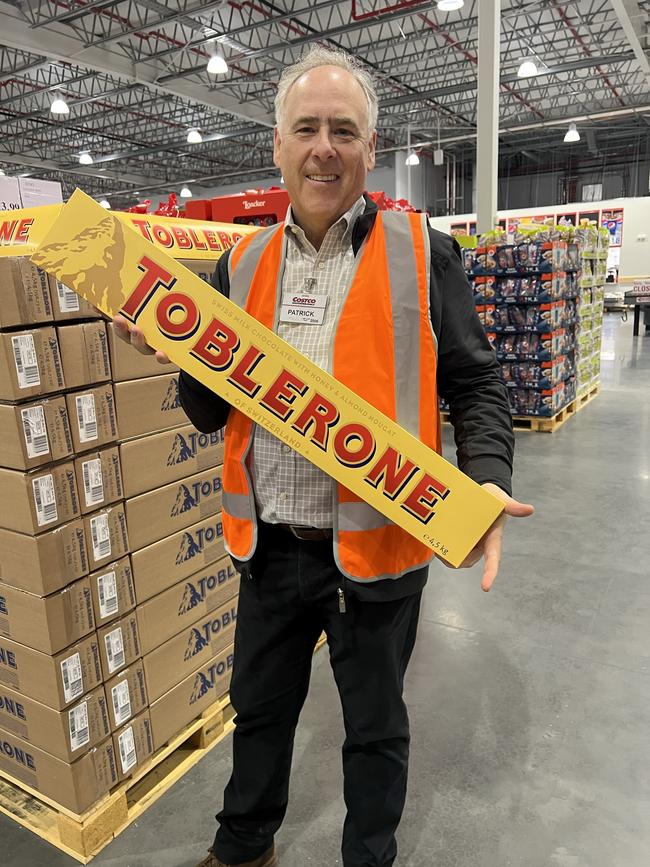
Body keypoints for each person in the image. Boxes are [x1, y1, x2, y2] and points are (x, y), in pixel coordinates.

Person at [114, 46, 534, 867]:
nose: (324, 147)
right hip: (270, 547)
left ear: (370, 150)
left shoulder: (422, 252)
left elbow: (478, 382)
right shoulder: (237, 266)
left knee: (375, 730)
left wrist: (487, 477)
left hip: (377, 551)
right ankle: (243, 847)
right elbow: (210, 413)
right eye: (306, 128)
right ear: (277, 146)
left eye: (344, 130)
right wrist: (177, 352)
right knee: (259, 709)